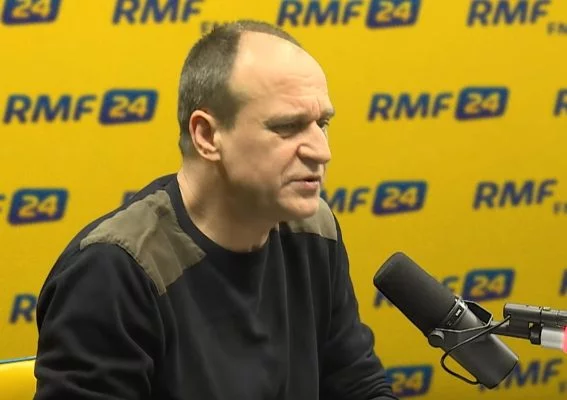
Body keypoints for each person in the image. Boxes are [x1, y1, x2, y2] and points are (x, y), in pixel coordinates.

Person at [33, 20, 398, 400]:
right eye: (288, 127)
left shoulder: (312, 229)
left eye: (322, 123)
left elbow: (357, 384)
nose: (322, 151)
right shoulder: (114, 272)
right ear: (207, 135)